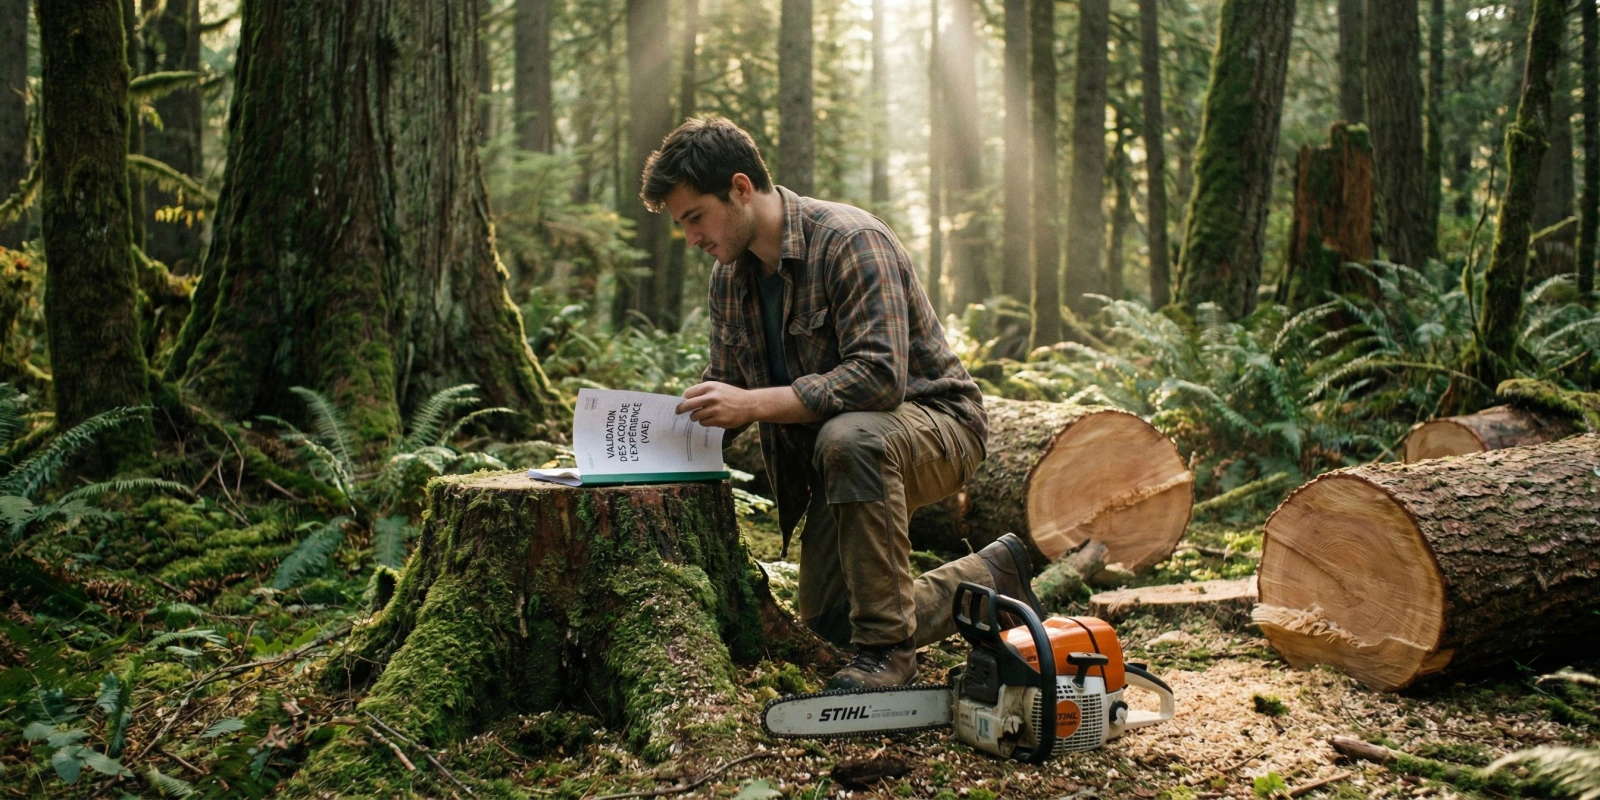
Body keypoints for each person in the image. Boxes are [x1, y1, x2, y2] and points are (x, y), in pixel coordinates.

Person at [643, 117, 1043, 690]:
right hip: (844, 458)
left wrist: (754, 403)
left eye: (694, 218)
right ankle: (990, 579)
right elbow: (725, 390)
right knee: (828, 630)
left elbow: (878, 379)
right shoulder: (729, 280)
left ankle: (889, 653)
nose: (692, 238)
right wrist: (639, 453)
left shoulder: (850, 240)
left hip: (937, 426)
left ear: (739, 187)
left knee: (851, 435)